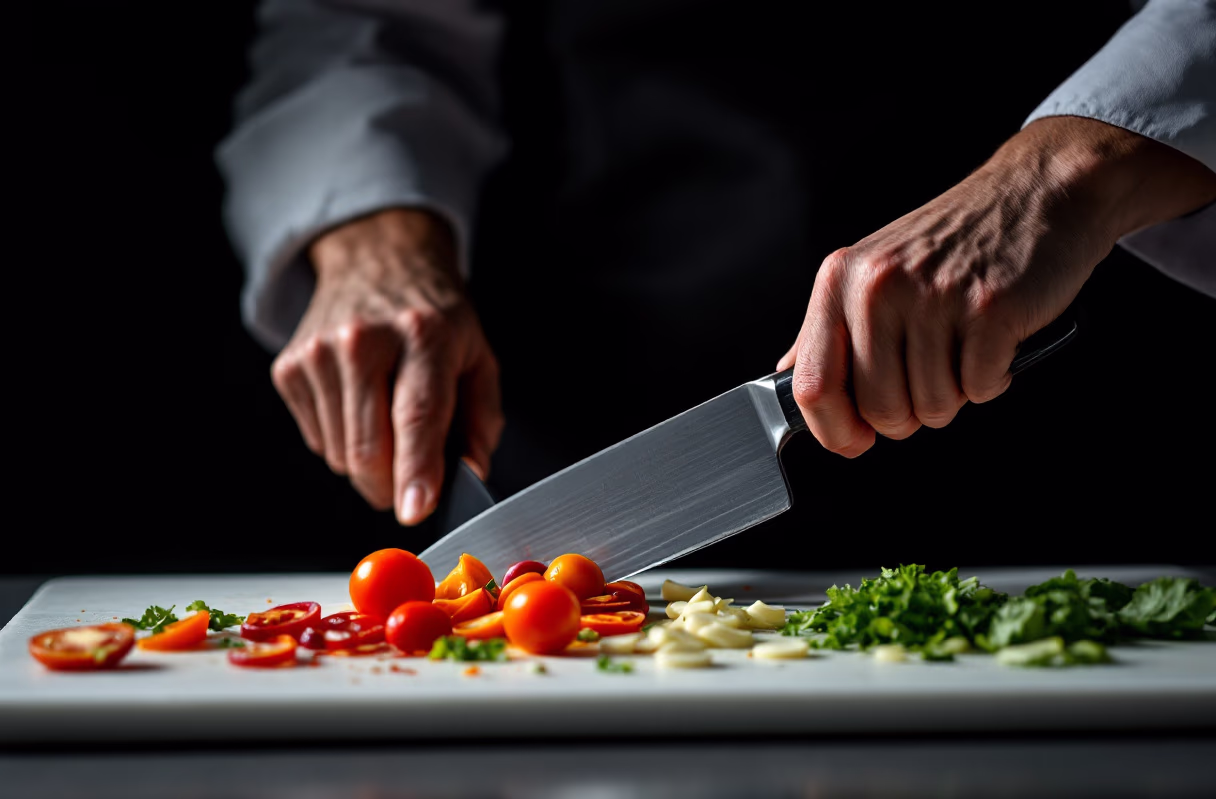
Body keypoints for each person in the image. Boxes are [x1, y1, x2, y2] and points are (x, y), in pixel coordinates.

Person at [219, 0, 1215, 530]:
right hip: (593, 371)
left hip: (1080, 419)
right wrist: (373, 242)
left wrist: (1072, 167)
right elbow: (361, 20)